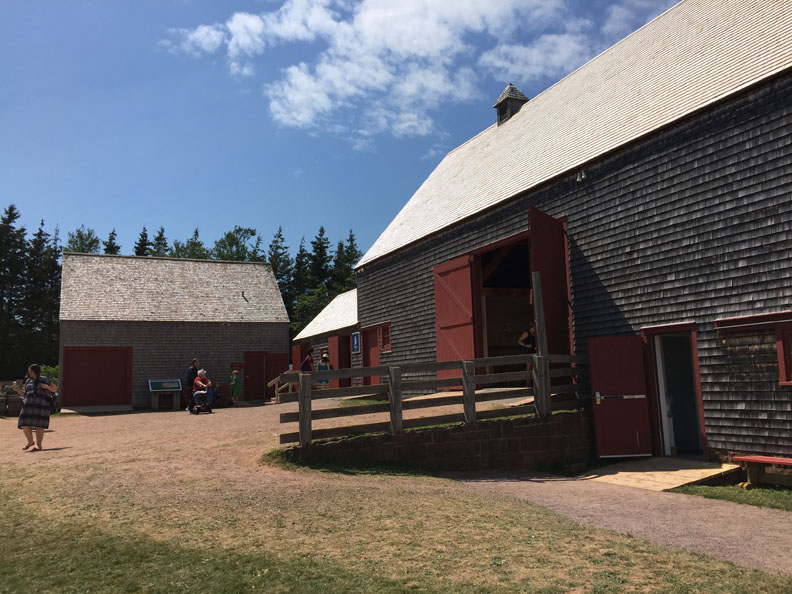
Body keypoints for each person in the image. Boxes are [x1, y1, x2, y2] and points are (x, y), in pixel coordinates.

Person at [13, 364, 58, 451]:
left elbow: (55, 389)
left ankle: (39, 445)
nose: (30, 373)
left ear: (36, 371)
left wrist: (47, 387)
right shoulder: (27, 381)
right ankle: (30, 441)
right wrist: (17, 390)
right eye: (29, 371)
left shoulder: (44, 379)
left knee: (40, 425)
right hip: (28, 406)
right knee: (23, 423)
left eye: (31, 371)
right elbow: (25, 395)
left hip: (42, 405)